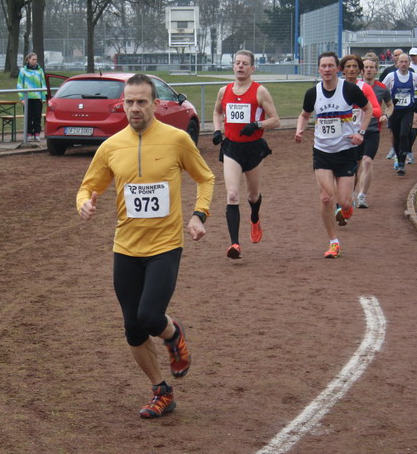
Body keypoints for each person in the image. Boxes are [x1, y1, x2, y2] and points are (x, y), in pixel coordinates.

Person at [76, 74, 215, 419]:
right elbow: (88, 186)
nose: (135, 108)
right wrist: (84, 204)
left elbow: (205, 177)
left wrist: (199, 215)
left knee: (150, 317)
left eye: (141, 101)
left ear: (155, 104)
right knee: (133, 327)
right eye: (129, 102)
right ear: (122, 104)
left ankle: (173, 333)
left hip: (165, 246)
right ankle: (161, 391)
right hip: (125, 248)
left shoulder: (177, 140)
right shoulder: (112, 146)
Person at [294, 52, 372, 259]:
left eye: (330, 66)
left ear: (338, 68)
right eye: (323, 66)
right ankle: (333, 242)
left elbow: (368, 109)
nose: (327, 70)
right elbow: (304, 115)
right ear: (319, 69)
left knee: (344, 202)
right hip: (322, 152)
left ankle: (347, 207)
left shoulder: (350, 90)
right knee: (326, 198)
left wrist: (361, 132)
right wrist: (300, 129)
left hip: (346, 151)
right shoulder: (313, 93)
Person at [211, 49, 280, 259]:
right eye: (237, 62)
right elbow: (217, 111)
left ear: (252, 68)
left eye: (244, 63)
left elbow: (275, 120)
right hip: (231, 148)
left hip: (253, 148)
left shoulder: (260, 91)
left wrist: (257, 124)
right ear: (233, 66)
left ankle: (255, 217)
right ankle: (235, 244)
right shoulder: (224, 91)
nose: (240, 66)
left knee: (252, 195)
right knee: (232, 195)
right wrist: (217, 130)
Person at [338, 54, 381, 209]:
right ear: (342, 70)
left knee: (364, 163)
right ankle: (347, 196)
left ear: (359, 70)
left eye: (355, 66)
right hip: (344, 135)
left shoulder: (365, 88)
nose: (351, 70)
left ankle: (358, 196)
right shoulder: (337, 86)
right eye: (348, 66)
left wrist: (365, 108)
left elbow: (376, 109)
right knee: (350, 169)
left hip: (365, 132)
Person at [356, 54, 393, 208]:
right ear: (361, 70)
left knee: (367, 161)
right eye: (366, 67)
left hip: (372, 130)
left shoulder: (382, 89)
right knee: (355, 166)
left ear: (376, 70)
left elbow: (390, 105)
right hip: (355, 131)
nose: (369, 70)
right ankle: (349, 193)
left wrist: (385, 115)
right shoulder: (354, 87)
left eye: (372, 67)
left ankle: (362, 196)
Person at [381, 53, 417, 176]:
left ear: (409, 63)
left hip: (407, 111)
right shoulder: (391, 76)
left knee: (403, 134)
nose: (404, 64)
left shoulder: (414, 77)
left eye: (406, 62)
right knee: (396, 137)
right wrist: (388, 101)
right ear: (397, 63)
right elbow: (383, 89)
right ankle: (400, 161)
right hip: (394, 111)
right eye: (401, 61)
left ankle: (403, 159)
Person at [17, 52, 47, 141]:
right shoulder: (23, 71)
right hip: (28, 97)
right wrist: (22, 98)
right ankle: (28, 133)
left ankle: (37, 133)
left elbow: (43, 84)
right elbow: (19, 84)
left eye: (36, 59)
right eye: (33, 59)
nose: (35, 61)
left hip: (38, 97)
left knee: (37, 116)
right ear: (28, 60)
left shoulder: (40, 70)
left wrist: (43, 97)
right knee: (28, 116)